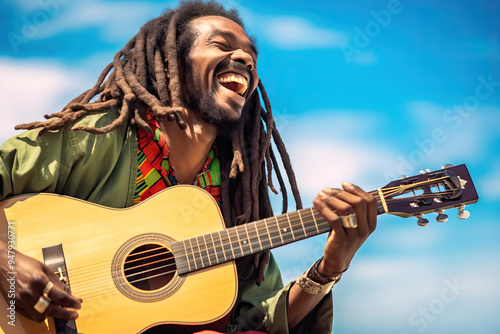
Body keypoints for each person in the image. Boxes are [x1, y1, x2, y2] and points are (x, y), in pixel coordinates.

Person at [0, 1, 377, 333]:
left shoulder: (234, 196)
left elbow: (259, 319)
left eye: (251, 55)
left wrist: (331, 265)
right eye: (222, 45)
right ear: (173, 62)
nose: (246, 59)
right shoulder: (93, 137)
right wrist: (8, 261)